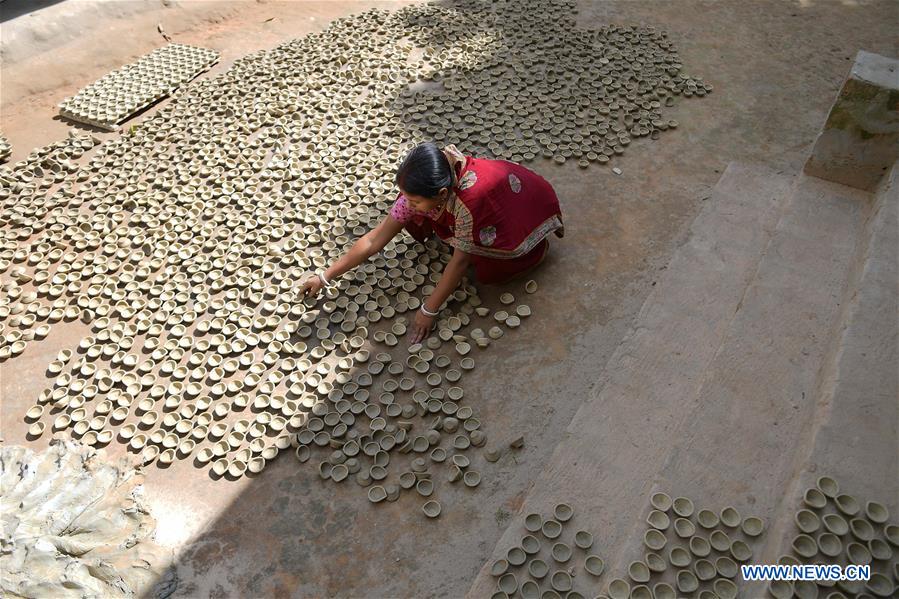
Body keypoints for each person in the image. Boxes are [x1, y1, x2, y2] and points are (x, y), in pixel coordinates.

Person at [300, 142, 564, 343]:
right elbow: (374, 239)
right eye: (405, 196)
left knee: (488, 271)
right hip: (469, 205)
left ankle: (535, 251)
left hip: (516, 205)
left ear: (441, 193)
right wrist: (325, 276)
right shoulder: (423, 193)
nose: (407, 203)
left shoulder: (468, 206)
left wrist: (429, 309)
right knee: (422, 221)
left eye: (414, 200)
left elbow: (460, 262)